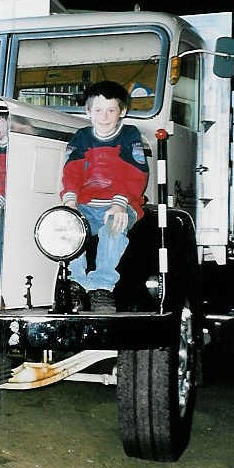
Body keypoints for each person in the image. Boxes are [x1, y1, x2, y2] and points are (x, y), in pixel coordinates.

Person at [60, 81, 150, 312]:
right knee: (70, 227)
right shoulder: (81, 138)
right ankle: (76, 283)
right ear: (88, 112)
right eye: (98, 110)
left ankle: (101, 287)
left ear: (123, 112)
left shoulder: (129, 136)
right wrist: (71, 200)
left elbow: (135, 173)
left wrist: (120, 203)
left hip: (121, 204)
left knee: (114, 226)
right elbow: (71, 171)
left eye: (111, 110)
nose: (104, 116)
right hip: (88, 205)